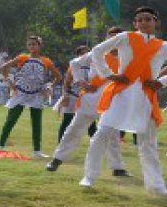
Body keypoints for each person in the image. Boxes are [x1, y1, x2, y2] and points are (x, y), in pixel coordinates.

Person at [78, 7, 167, 195]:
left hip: (145, 97)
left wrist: (161, 82)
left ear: (156, 22)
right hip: (121, 93)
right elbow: (97, 51)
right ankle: (89, 177)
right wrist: (109, 75)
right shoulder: (126, 37)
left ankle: (156, 185)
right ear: (135, 23)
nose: (144, 22)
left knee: (148, 143)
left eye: (148, 19)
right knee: (101, 134)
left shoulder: (163, 45)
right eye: (140, 20)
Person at [46, 27, 128, 175]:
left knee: (113, 135)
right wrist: (81, 82)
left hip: (111, 101)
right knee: (74, 130)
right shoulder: (97, 52)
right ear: (107, 39)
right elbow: (74, 63)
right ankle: (57, 159)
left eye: (117, 37)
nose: (113, 40)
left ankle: (117, 168)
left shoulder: (127, 57)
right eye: (111, 37)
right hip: (90, 99)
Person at [0, 36, 62, 158]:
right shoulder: (23, 57)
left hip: (36, 94)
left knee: (37, 123)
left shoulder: (46, 61)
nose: (32, 47)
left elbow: (58, 77)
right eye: (29, 44)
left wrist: (49, 87)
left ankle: (37, 152)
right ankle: (0, 147)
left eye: (34, 44)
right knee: (11, 120)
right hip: (20, 93)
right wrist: (9, 81)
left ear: (40, 46)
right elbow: (3, 67)